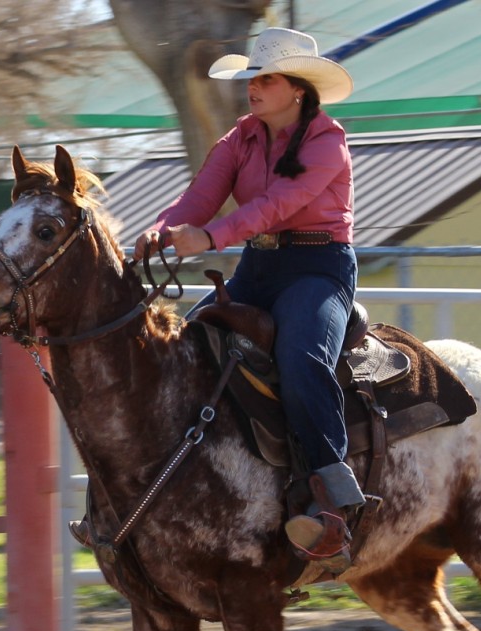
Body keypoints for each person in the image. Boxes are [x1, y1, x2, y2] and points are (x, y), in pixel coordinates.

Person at [132, 27, 363, 575]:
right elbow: (200, 197)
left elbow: (279, 207)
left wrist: (210, 238)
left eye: (266, 79)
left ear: (299, 90)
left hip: (318, 268)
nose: (253, 88)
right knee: (181, 351)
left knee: (303, 359)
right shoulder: (241, 138)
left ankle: (332, 502)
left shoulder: (328, 141)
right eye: (252, 79)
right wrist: (163, 229)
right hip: (260, 266)